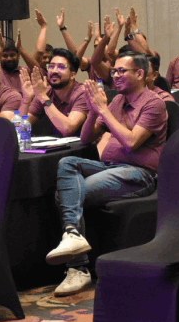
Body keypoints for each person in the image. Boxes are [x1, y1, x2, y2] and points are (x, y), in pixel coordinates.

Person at [45, 52, 167, 296]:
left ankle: (77, 268)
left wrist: (104, 109)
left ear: (140, 74)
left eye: (122, 71)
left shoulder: (153, 103)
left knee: (66, 194)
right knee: (67, 163)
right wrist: (93, 111)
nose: (116, 76)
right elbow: (86, 138)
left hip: (139, 174)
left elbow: (131, 142)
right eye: (114, 71)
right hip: (110, 166)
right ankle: (73, 237)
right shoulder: (118, 101)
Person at [22, 50, 88, 137]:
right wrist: (26, 99)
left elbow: (68, 129)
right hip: (55, 144)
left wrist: (43, 97)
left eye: (61, 67)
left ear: (72, 75)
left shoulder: (83, 92)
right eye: (51, 66)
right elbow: (20, 126)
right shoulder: (45, 92)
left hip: (84, 144)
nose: (54, 71)